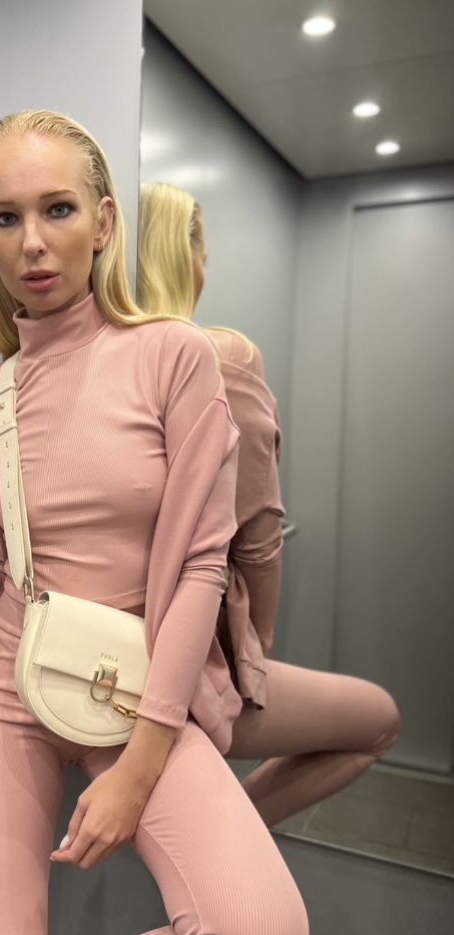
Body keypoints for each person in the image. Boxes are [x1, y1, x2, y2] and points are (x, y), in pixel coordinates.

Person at [0, 112, 309, 935]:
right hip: (7, 692)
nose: (31, 242)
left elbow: (200, 563)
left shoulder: (172, 355)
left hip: (136, 692)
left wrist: (138, 762)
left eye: (58, 209)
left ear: (105, 221)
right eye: (4, 218)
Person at [137, 180, 401, 829]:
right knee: (377, 720)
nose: (205, 269)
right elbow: (256, 535)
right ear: (182, 255)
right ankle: (225, 837)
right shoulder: (223, 356)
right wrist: (253, 645)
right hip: (190, 656)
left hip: (99, 648)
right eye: (202, 254)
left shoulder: (93, 364)